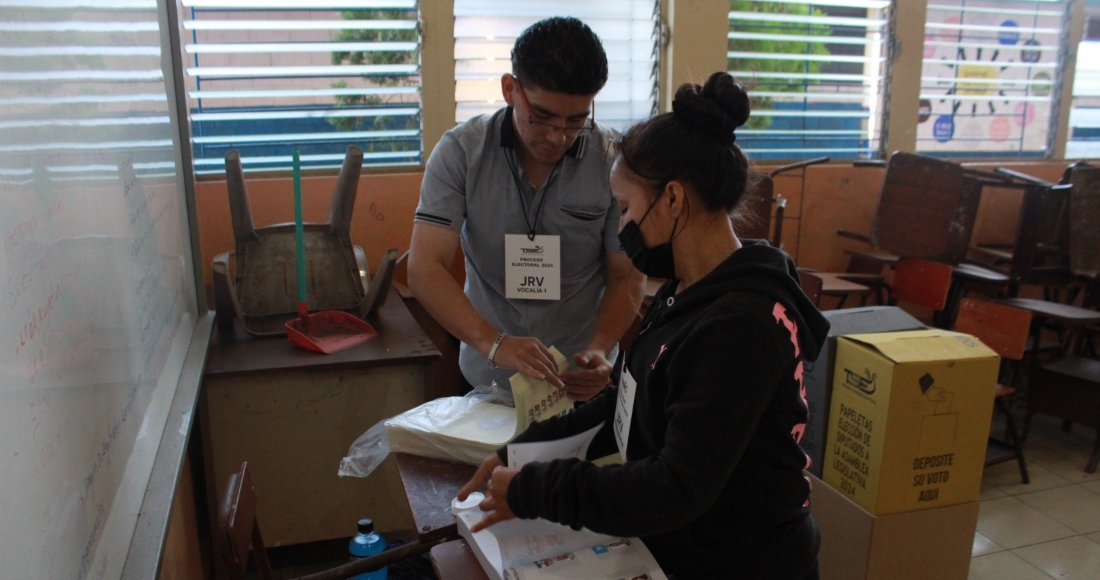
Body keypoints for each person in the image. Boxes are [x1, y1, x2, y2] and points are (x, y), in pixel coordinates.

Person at [457, 72, 830, 578]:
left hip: (743, 561)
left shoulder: (739, 328)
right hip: (686, 549)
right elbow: (632, 401)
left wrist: (536, 489)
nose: (623, 226)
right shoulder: (689, 289)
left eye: (627, 208)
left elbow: (676, 488)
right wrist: (520, 454)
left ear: (673, 199)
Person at [409, 17, 643, 401]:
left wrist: (600, 348)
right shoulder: (461, 153)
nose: (558, 137)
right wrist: (494, 343)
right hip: (490, 377)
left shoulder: (612, 162)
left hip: (579, 381)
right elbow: (424, 268)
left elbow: (625, 276)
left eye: (576, 120)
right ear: (510, 89)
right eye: (543, 116)